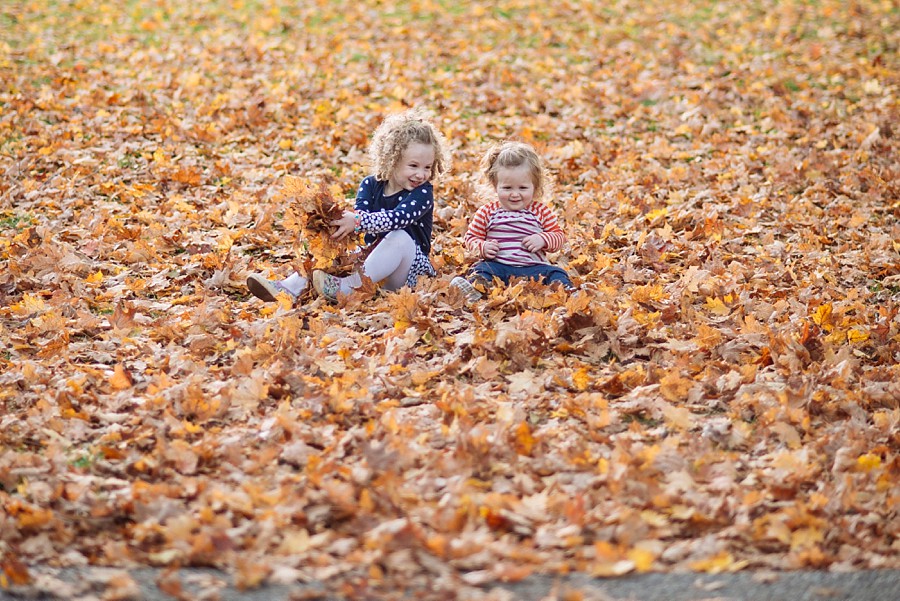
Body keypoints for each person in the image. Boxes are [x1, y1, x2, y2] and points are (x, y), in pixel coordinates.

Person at [246, 108, 450, 303]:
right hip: (371, 264)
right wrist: (336, 223)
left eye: (427, 167)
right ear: (392, 160)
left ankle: (347, 288)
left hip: (408, 274)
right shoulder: (371, 185)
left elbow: (397, 219)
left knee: (398, 235)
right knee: (339, 247)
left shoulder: (423, 193)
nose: (421, 174)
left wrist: (357, 221)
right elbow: (359, 220)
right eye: (413, 166)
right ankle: (290, 287)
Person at [450, 141, 573, 302]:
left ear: (534, 187)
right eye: (507, 188)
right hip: (499, 267)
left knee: (557, 273)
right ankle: (475, 292)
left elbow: (558, 238)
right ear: (495, 186)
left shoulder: (540, 211)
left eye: (522, 188)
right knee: (480, 270)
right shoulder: (488, 212)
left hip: (533, 270)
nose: (515, 194)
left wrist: (542, 239)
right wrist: (483, 247)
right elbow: (471, 238)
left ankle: (568, 294)